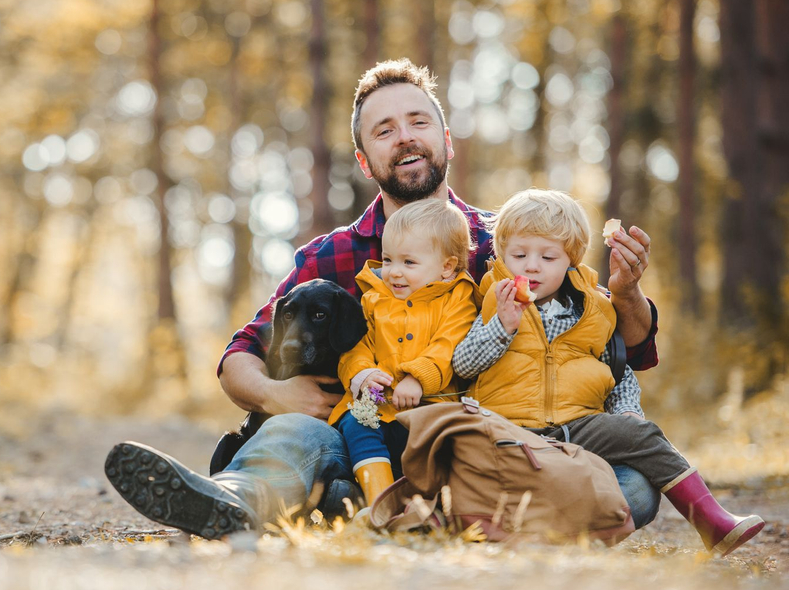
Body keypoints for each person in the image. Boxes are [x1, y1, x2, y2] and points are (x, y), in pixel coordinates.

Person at [104, 59, 662, 540]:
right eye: (384, 129)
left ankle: (378, 509)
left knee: (634, 487)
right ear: (365, 159)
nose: (405, 137)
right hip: (366, 434)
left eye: (419, 121)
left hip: (484, 448)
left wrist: (627, 293)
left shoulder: (511, 242)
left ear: (446, 140)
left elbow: (624, 349)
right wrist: (276, 394)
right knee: (295, 433)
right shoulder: (332, 256)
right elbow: (238, 357)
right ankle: (231, 499)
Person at [451, 188, 764, 556]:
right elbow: (463, 364)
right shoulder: (493, 299)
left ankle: (712, 520)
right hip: (512, 432)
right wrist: (501, 327)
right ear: (502, 254)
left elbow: (619, 374)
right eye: (519, 255)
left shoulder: (595, 310)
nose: (531, 266)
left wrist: (627, 412)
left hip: (578, 429)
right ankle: (542, 533)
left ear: (570, 259)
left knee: (639, 445)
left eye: (547, 256)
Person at [330, 199, 477, 508]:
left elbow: (449, 345)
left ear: (447, 267)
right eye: (388, 259)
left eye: (408, 263)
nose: (394, 272)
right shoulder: (373, 299)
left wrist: (418, 377)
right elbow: (355, 345)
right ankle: (378, 503)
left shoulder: (458, 299)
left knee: (450, 443)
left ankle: (430, 506)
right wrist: (361, 373)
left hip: (430, 410)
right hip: (377, 409)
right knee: (357, 426)